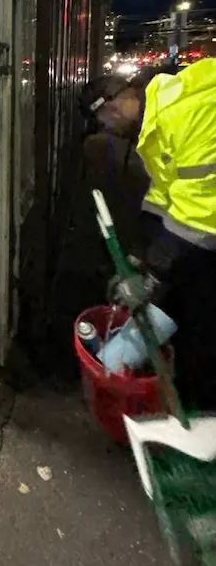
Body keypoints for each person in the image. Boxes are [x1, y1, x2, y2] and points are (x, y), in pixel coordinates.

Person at [80, 58, 216, 409]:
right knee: (184, 300)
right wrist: (139, 258)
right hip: (203, 226)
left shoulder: (193, 113)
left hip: (207, 225)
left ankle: (201, 412)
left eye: (104, 121)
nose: (108, 131)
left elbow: (199, 217)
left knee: (204, 317)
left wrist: (154, 275)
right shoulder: (157, 124)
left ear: (116, 101)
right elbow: (162, 197)